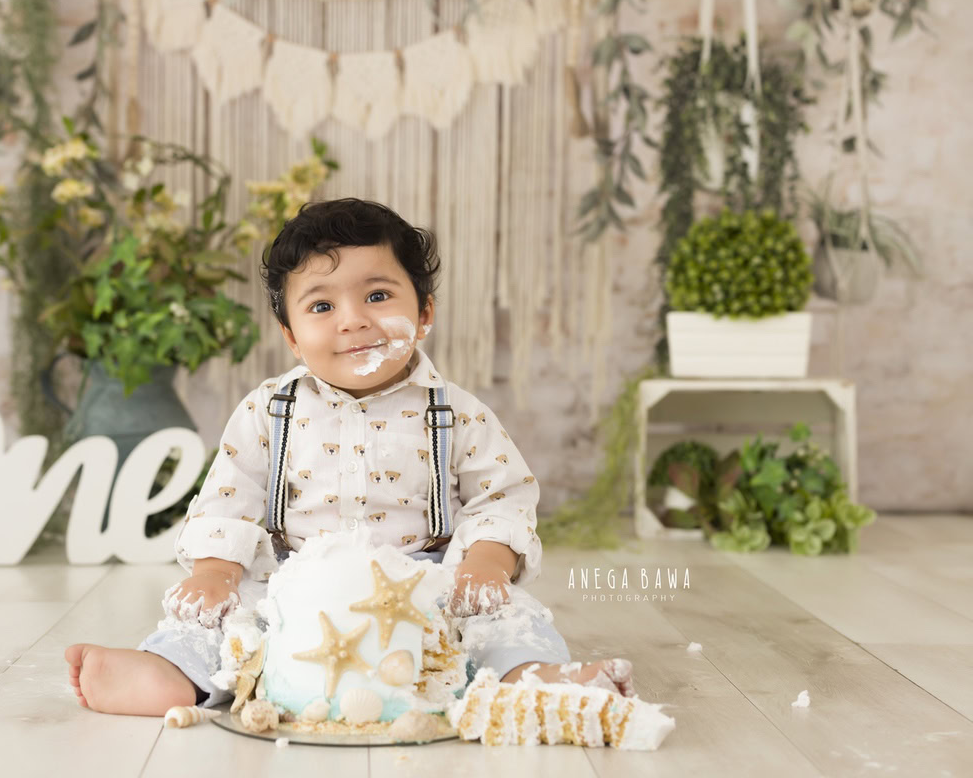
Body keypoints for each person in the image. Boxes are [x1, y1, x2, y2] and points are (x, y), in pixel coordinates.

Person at [65, 199, 635, 715]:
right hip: (295, 582)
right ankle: (171, 672)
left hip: (426, 581)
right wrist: (216, 572)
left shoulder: (456, 414)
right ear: (291, 335)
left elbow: (502, 497)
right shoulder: (271, 410)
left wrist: (486, 561)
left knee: (500, 616)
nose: (352, 319)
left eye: (378, 296)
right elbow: (228, 497)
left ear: (425, 312)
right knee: (223, 620)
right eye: (320, 305)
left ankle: (526, 676)